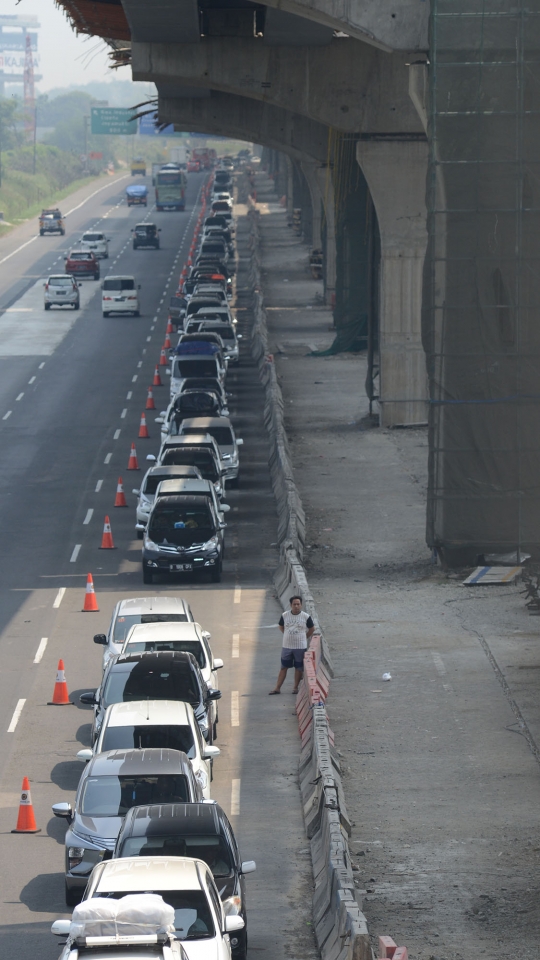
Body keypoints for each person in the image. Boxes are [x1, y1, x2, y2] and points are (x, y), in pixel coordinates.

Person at [269, 595, 314, 695]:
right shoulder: (285, 615)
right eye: (294, 604)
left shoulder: (306, 617)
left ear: (301, 605)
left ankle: (295, 687)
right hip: (287, 646)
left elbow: (312, 629)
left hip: (300, 647)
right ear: (290, 605)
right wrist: (287, 635)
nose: (296, 606)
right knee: (283, 667)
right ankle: (277, 688)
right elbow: (281, 626)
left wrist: (304, 637)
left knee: (298, 668)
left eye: (298, 604)